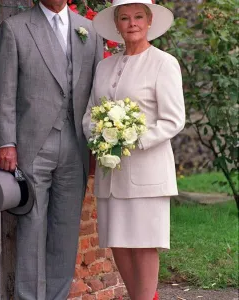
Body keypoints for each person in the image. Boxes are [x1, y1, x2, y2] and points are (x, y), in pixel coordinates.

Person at [0, 0, 103, 298]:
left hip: (76, 144)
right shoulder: (15, 29)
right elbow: (4, 93)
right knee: (31, 228)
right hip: (32, 145)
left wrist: (97, 145)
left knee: (66, 231)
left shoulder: (89, 30)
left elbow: (97, 91)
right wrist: (7, 142)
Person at [83, 0, 185, 299]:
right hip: (111, 171)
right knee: (118, 242)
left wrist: (134, 139)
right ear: (116, 24)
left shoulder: (163, 63)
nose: (132, 23)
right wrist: (99, 136)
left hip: (147, 170)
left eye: (138, 17)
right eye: (125, 18)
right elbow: (91, 112)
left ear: (149, 21)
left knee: (143, 242)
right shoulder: (105, 66)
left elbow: (174, 119)